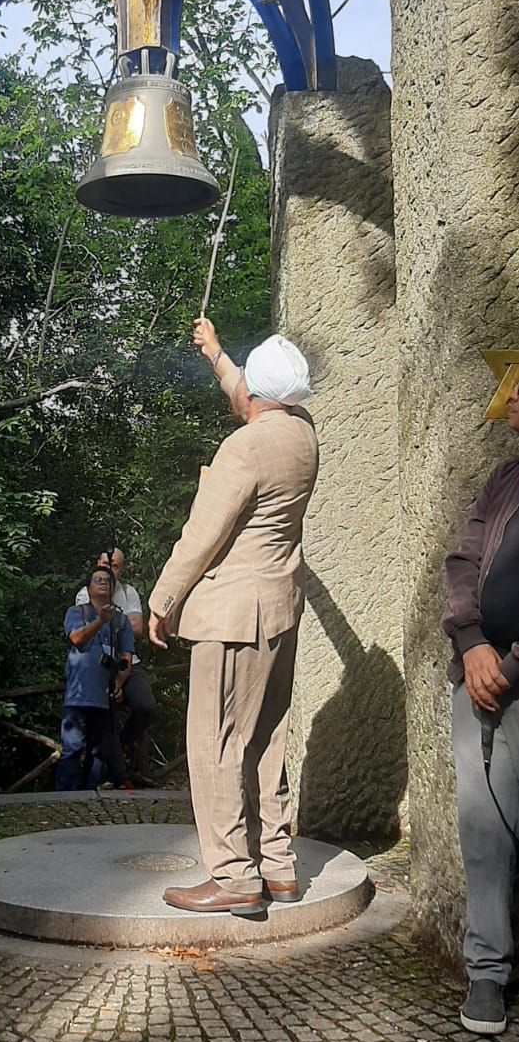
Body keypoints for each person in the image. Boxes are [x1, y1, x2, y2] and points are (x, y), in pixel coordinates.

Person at [147, 316, 319, 915]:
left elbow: (202, 537)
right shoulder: (302, 433)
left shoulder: (243, 448)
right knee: (265, 739)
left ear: (258, 393)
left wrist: (162, 601)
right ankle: (278, 866)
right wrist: (216, 355)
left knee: (216, 741)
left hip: (233, 615)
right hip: (280, 609)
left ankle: (233, 876)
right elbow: (250, 395)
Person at [443, 378, 519, 1036]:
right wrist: (470, 643)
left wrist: (509, 666)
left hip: (508, 676)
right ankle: (487, 973)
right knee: (482, 829)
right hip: (475, 675)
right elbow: (463, 558)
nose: (509, 397)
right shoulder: (504, 478)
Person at [76, 547, 158, 777]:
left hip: (128, 660)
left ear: (121, 569)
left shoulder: (129, 592)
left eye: (114, 566)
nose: (109, 570)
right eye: (105, 564)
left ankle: (122, 745)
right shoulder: (84, 593)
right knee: (102, 717)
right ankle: (103, 772)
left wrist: (107, 620)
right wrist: (120, 623)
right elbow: (89, 631)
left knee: (146, 706)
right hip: (98, 663)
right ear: (97, 563)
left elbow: (138, 628)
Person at [55, 565, 135, 791]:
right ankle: (64, 798)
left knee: (98, 752)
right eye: (97, 579)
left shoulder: (122, 621)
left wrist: (119, 683)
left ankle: (88, 797)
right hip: (78, 694)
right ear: (88, 588)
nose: (102, 583)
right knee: (72, 748)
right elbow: (76, 638)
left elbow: (126, 657)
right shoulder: (76, 613)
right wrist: (101, 621)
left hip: (104, 697)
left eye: (107, 580)